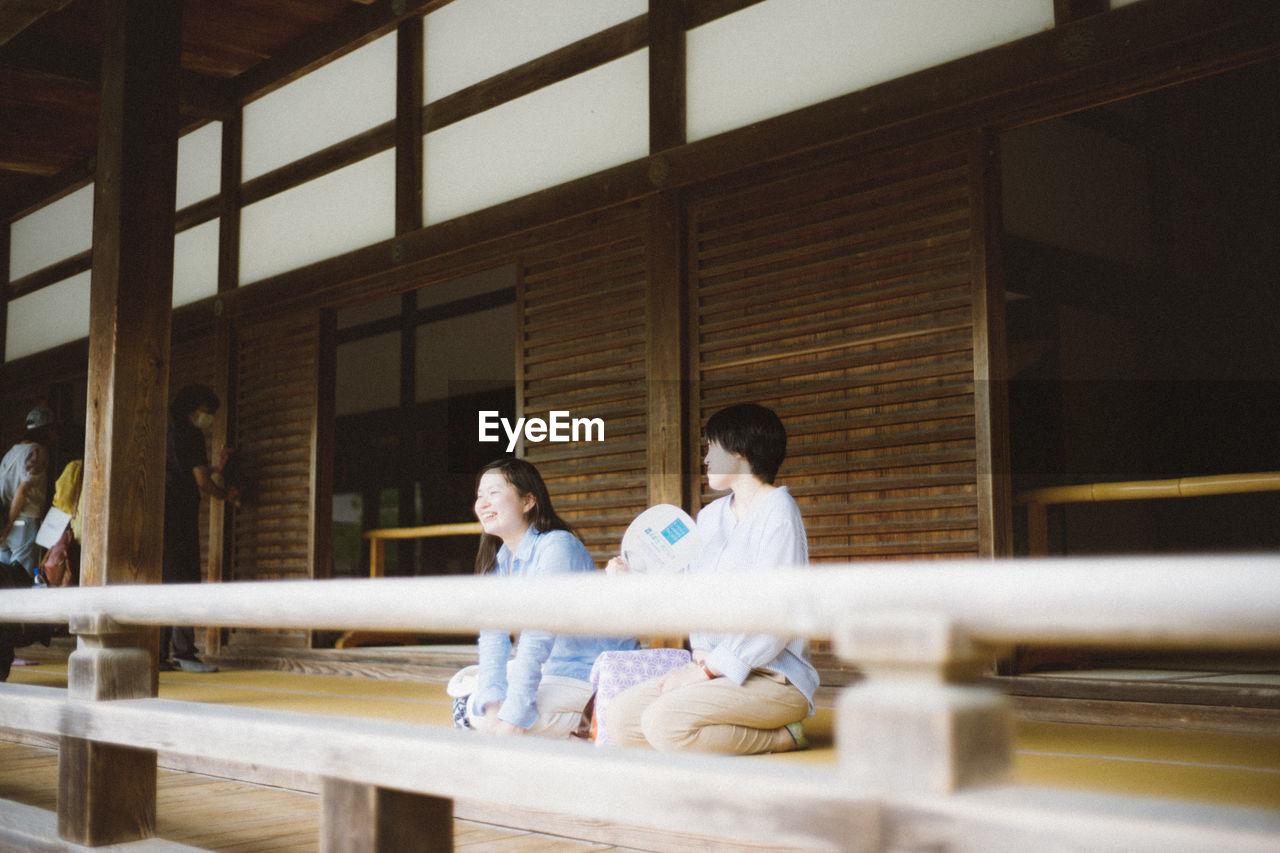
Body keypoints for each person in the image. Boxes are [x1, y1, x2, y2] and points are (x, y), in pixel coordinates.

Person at [604, 403, 818, 754]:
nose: (705, 459)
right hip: (712, 669)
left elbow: (775, 618)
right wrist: (634, 579)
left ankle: (783, 736)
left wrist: (704, 672)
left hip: (773, 679)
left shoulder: (779, 513)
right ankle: (703, 742)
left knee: (663, 723)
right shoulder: (710, 516)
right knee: (621, 717)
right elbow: (688, 593)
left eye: (711, 448)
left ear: (739, 452)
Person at [457, 457, 638, 738]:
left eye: (493, 493)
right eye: (480, 495)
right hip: (552, 670)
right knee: (478, 705)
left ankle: (593, 728)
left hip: (590, 672)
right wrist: (494, 710)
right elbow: (493, 637)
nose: (482, 503)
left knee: (508, 718)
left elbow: (537, 635)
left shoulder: (557, 545)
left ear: (528, 501)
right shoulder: (500, 559)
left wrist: (513, 717)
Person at [163, 384, 236, 673]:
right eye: (208, 412)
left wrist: (215, 467)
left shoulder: (167, 431)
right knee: (184, 580)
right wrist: (224, 495)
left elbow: (191, 469)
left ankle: (158, 654)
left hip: (163, 512)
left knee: (164, 581)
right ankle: (184, 652)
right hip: (181, 514)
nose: (209, 419)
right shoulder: (191, 433)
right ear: (193, 409)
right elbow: (201, 481)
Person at [0, 405, 58, 582]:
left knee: (3, 573)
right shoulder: (37, 452)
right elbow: (23, 490)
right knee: (23, 576)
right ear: (45, 430)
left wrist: (4, 526)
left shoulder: (12, 452)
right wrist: (10, 524)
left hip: (4, 520)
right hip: (22, 520)